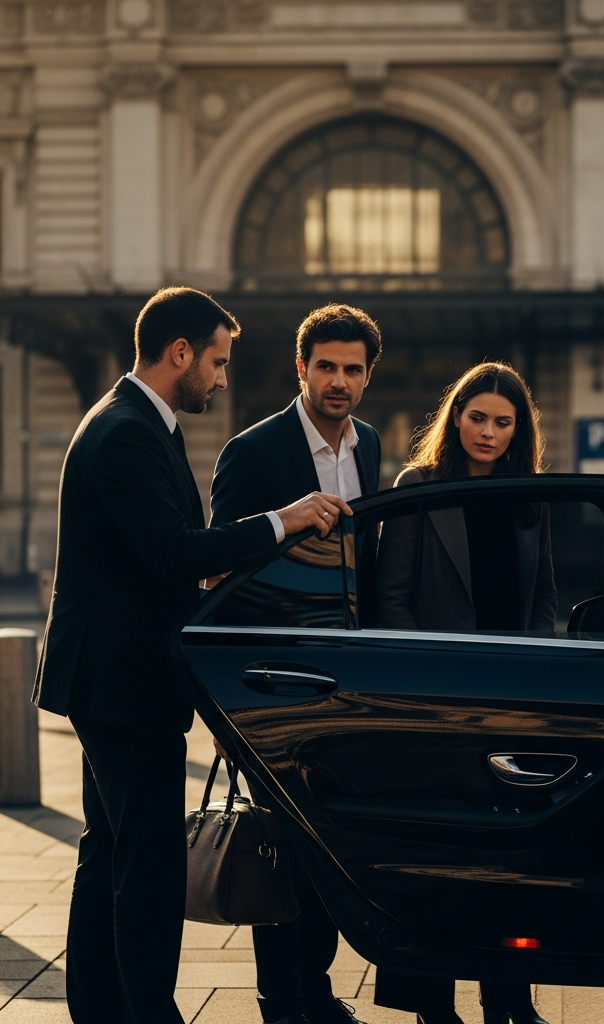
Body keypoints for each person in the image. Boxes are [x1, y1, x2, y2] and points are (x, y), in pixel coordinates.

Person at [32, 287, 347, 1024]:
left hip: (115, 679)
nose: (223, 378)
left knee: (110, 850)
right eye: (217, 361)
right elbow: (174, 553)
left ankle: (103, 1008)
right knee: (145, 862)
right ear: (179, 353)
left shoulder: (142, 422)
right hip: (122, 683)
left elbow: (164, 553)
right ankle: (148, 1015)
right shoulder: (126, 432)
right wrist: (286, 519)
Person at [211, 303, 382, 1024]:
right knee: (279, 846)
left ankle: (315, 987)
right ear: (301, 368)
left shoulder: (369, 447)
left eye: (352, 369)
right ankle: (282, 999)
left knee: (331, 846)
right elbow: (217, 572)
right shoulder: (253, 451)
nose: (338, 381)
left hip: (346, 682)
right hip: (271, 683)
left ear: (368, 376)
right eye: (326, 367)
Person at [374, 362, 553, 1024]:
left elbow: (544, 598)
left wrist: (537, 671)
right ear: (455, 418)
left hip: (511, 698)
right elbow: (391, 598)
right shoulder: (419, 485)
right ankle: (432, 1005)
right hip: (436, 700)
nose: (488, 432)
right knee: (438, 861)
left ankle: (511, 997)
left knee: (513, 859)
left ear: (518, 430)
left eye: (503, 422)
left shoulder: (532, 493)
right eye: (476, 417)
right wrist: (428, 682)